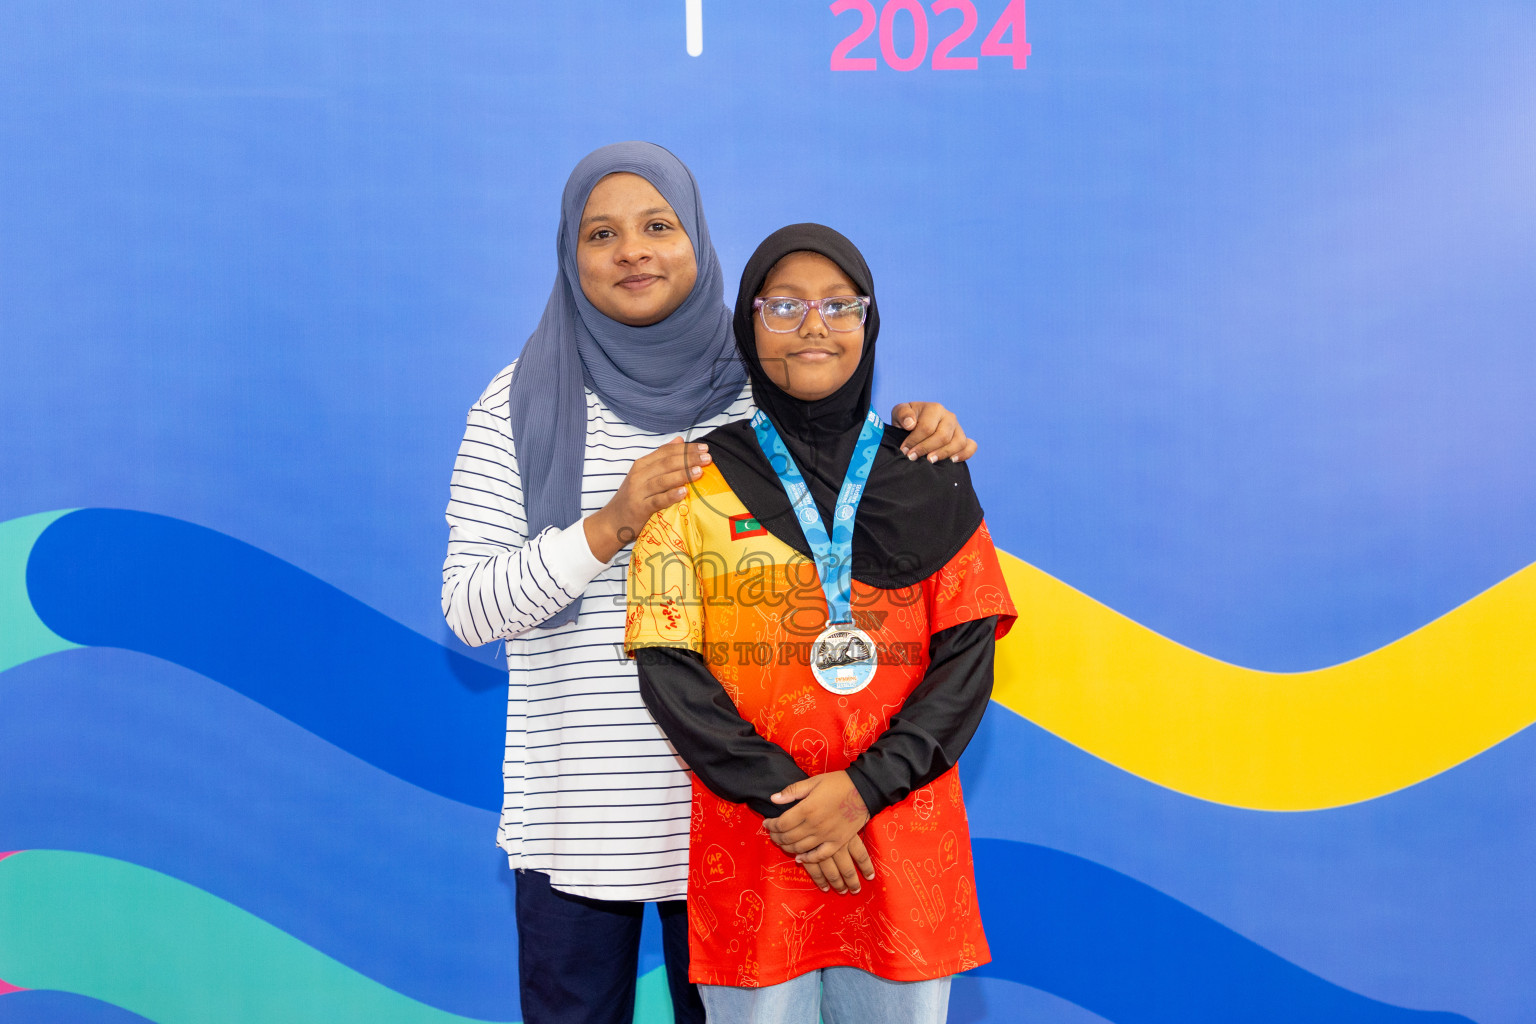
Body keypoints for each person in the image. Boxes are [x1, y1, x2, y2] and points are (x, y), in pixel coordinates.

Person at [441, 144, 979, 1024]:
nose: (633, 252)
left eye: (659, 227)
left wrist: (925, 433)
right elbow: (468, 610)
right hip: (586, 824)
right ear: (569, 257)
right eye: (601, 234)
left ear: (698, 244)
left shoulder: (759, 390)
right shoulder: (517, 402)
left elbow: (852, 480)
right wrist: (608, 527)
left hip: (751, 824)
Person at [625, 224, 1017, 1024]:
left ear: (868, 326)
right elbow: (669, 668)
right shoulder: (691, 480)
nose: (814, 325)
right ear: (748, 326)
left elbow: (967, 659)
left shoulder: (930, 470)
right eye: (786, 305)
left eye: (840, 305)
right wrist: (799, 807)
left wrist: (861, 792)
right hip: (760, 844)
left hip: (900, 844)